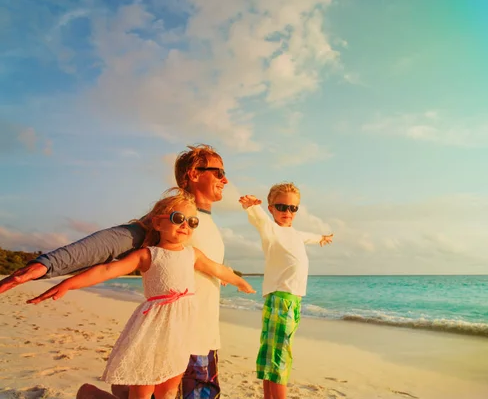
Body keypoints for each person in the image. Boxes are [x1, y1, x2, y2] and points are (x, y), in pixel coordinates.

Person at [0, 144, 232, 399]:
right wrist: (49, 263)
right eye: (218, 172)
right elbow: (114, 242)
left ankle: (111, 392)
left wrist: (221, 273)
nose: (225, 179)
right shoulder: (171, 219)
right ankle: (95, 394)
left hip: (206, 338)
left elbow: (198, 264)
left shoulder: (202, 223)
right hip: (177, 338)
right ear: (194, 173)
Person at [28, 189, 255, 399]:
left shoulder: (192, 254)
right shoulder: (148, 255)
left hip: (181, 335)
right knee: (143, 387)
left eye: (192, 222)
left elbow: (217, 269)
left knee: (168, 389)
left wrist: (239, 281)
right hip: (153, 332)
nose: (186, 225)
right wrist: (69, 283)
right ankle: (89, 393)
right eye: (178, 218)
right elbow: (108, 269)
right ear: (157, 222)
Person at [238, 182, 333, 399]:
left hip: (292, 300)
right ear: (271, 208)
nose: (287, 212)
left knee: (272, 354)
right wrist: (251, 205)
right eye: (281, 207)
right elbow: (259, 219)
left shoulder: (296, 234)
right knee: (279, 356)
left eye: (293, 208)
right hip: (281, 298)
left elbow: (309, 236)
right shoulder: (270, 229)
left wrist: (322, 238)